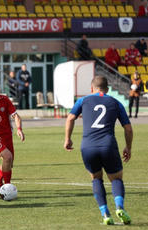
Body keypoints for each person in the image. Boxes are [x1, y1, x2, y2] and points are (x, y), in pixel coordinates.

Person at [64, 76, 133, 225]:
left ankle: (105, 214)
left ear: (91, 88)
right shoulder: (115, 102)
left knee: (96, 178)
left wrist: (67, 139)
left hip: (88, 146)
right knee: (116, 179)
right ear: (107, 90)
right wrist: (128, 147)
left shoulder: (83, 100)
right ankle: (119, 207)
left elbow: (70, 119)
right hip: (108, 145)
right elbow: (128, 128)